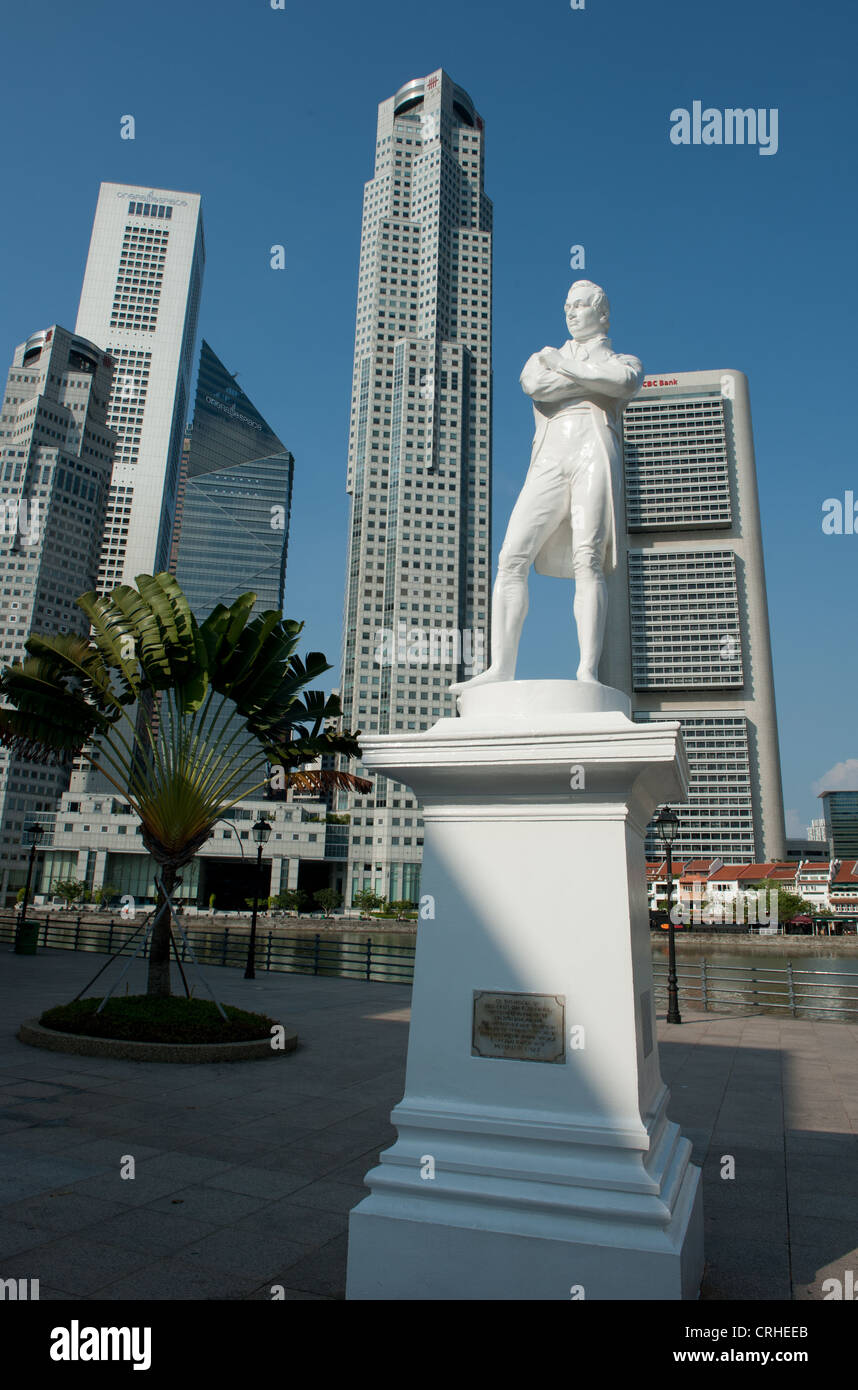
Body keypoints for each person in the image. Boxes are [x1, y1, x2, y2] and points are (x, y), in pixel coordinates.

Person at [451, 280, 643, 692]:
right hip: (551, 456)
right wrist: (593, 380)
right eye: (567, 306)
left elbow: (623, 382)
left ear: (602, 314)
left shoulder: (623, 361)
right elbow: (536, 386)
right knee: (511, 557)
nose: (571, 312)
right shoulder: (540, 359)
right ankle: (501, 666)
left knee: (588, 559)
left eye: (580, 306)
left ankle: (587, 670)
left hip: (594, 449)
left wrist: (564, 365)